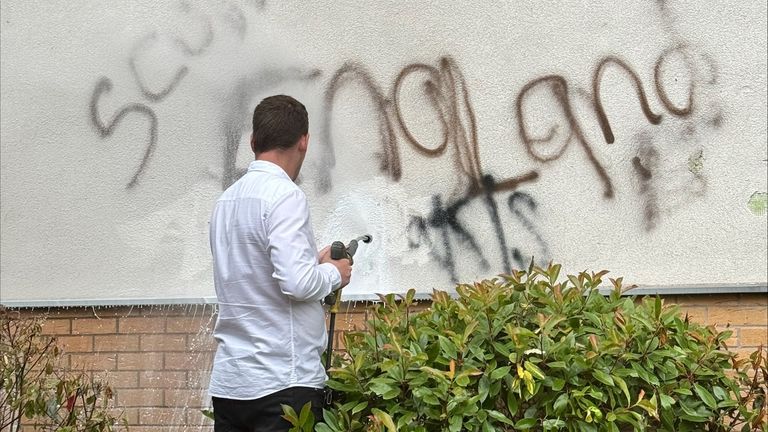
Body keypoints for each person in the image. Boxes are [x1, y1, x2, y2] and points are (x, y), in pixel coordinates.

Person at [207, 95, 353, 431]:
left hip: (231, 384)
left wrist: (311, 265)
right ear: (304, 141)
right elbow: (297, 283)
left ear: (253, 141)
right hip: (281, 384)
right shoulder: (285, 195)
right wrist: (334, 272)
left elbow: (252, 272)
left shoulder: (226, 201)